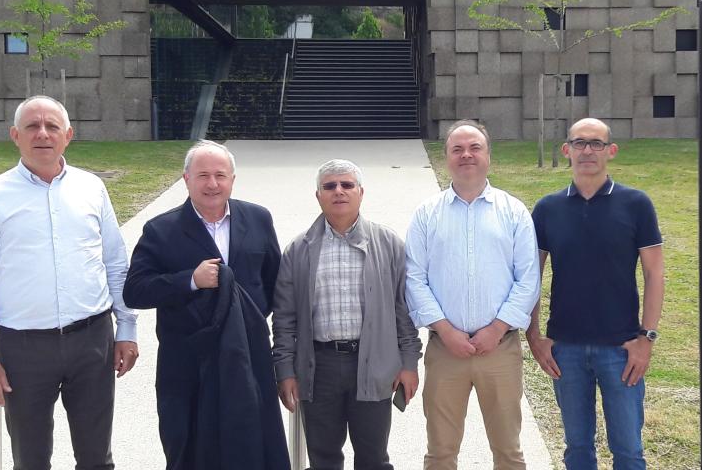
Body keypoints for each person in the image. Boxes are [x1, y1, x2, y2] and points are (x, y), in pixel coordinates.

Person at [0, 94, 139, 469]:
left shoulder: (92, 189)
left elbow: (115, 264)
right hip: (24, 350)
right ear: (15, 135)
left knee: (96, 458)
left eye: (52, 126)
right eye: (32, 126)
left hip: (92, 342)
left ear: (68, 135)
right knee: (31, 459)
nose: (43, 133)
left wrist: (126, 328)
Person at [123, 140, 288, 470]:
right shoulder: (161, 230)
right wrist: (190, 280)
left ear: (232, 179)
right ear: (186, 179)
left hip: (247, 357)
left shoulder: (258, 219)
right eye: (202, 175)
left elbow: (275, 283)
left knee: (253, 444)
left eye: (219, 175)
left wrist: (244, 322)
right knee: (190, 447)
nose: (212, 184)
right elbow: (135, 291)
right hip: (187, 363)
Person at [528, 118, 665, 470]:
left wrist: (646, 338)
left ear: (611, 151)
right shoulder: (547, 209)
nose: (587, 150)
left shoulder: (636, 204)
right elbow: (530, 277)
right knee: (577, 450)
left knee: (629, 451)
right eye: (579, 143)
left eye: (596, 143)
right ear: (567, 150)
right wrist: (535, 338)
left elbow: (655, 273)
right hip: (566, 350)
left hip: (621, 349)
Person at [405, 120, 540, 470]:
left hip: (500, 349)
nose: (466, 155)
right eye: (457, 149)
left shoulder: (514, 212)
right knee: (440, 453)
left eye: (474, 147)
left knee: (509, 452)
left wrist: (496, 329)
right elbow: (414, 279)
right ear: (446, 158)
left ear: (488, 156)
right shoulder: (426, 215)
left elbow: (528, 280)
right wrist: (446, 331)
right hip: (445, 350)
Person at [272, 159, 421, 470]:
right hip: (319, 368)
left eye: (347, 185)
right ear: (318, 196)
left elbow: (404, 311)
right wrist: (285, 370)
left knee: (374, 460)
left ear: (361, 192)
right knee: (323, 460)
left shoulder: (388, 243)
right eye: (330, 186)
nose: (338, 191)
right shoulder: (298, 250)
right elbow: (284, 319)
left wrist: (408, 363)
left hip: (373, 365)